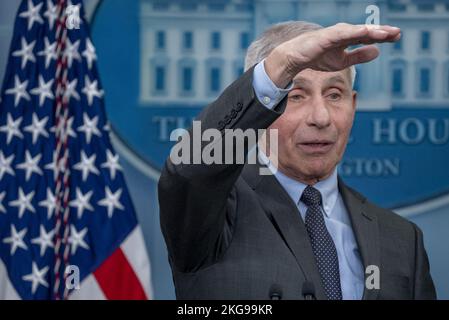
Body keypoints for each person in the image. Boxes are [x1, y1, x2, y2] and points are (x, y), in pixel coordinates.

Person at [158, 21, 437, 300]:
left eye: (334, 95)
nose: (321, 117)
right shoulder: (216, 212)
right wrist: (283, 65)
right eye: (295, 96)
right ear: (263, 109)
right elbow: (190, 170)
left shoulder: (402, 239)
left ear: (353, 105)